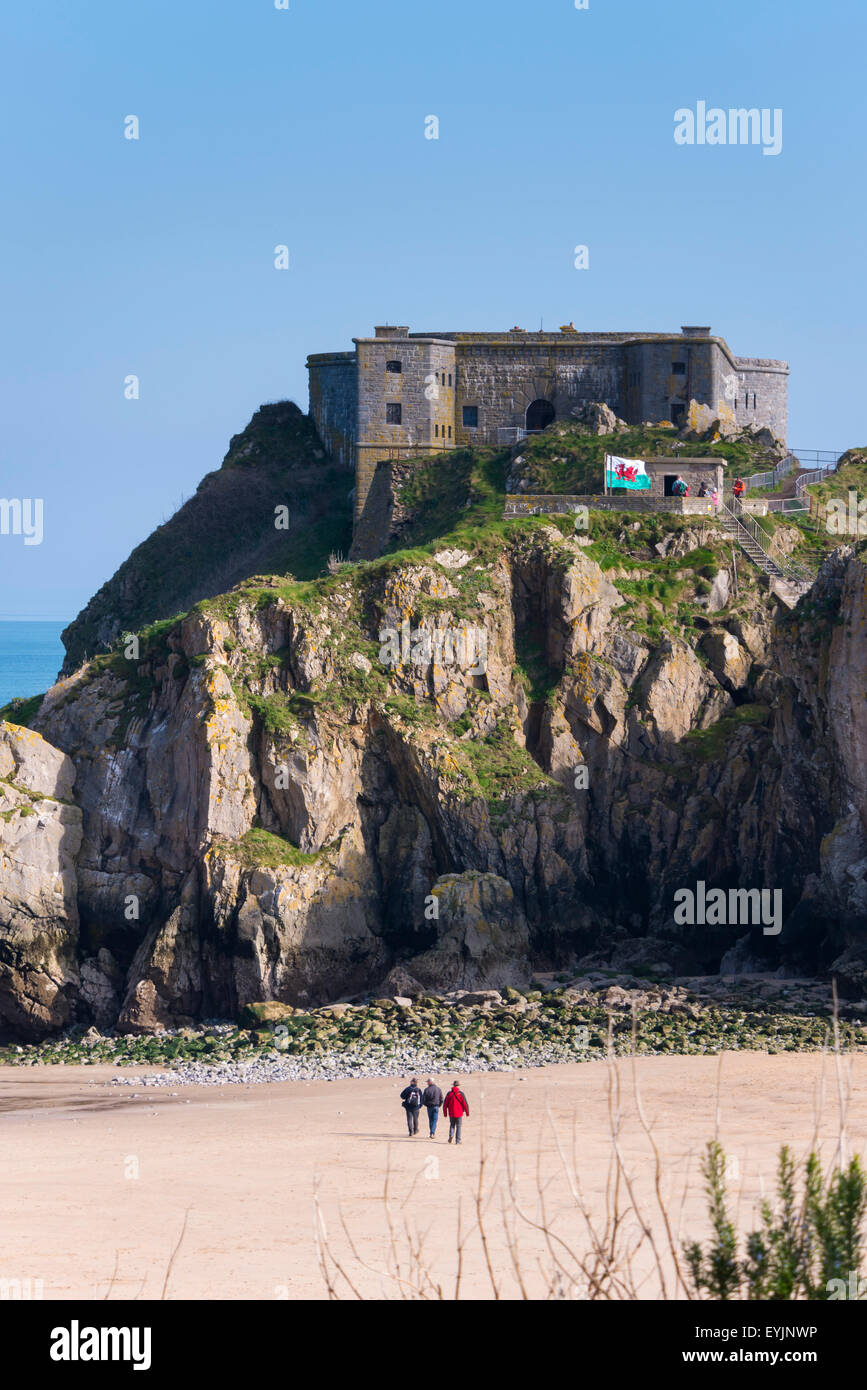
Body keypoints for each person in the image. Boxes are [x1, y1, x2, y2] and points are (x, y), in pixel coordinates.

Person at [443, 1080, 470, 1145]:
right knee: (458, 1126)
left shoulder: (449, 1093)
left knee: (452, 1125)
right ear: (458, 1086)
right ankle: (458, 1141)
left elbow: (445, 1104)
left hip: (451, 1112)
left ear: (453, 1085)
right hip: (459, 1113)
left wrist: (445, 1113)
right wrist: (467, 1112)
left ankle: (451, 1135)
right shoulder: (460, 1093)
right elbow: (465, 1104)